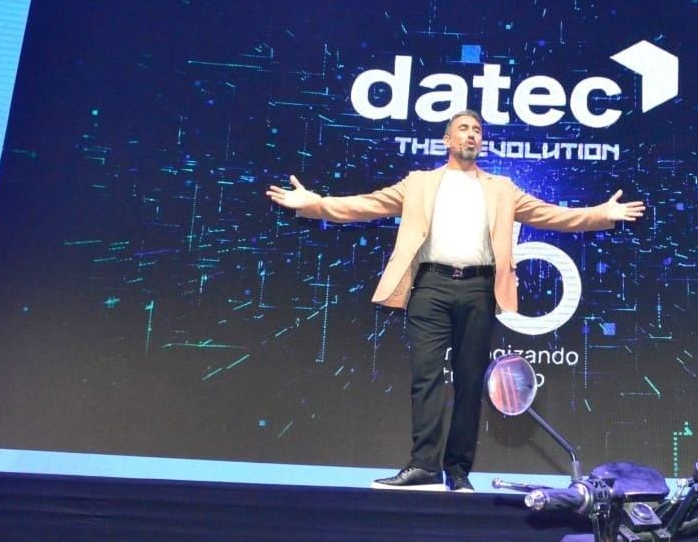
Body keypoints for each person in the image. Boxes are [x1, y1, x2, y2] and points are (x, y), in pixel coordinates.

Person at [266, 110, 645, 492]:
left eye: (477, 130)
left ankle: (458, 471)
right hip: (430, 286)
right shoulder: (419, 183)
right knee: (426, 377)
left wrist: (602, 214)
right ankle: (423, 467)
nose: (471, 135)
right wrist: (313, 204)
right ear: (447, 140)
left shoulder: (502, 188)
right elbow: (365, 205)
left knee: (469, 382)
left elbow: (551, 215)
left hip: (479, 289)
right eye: (463, 129)